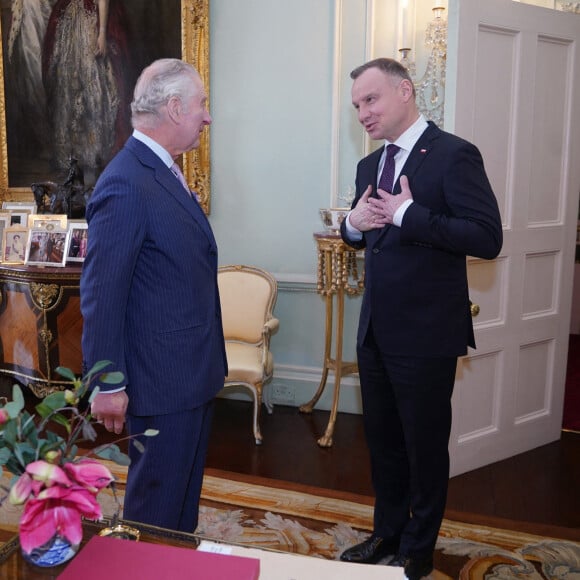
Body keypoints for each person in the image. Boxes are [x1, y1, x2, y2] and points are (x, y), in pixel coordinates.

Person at [338, 58, 502, 580]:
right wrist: (351, 225)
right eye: (358, 105)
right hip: (376, 332)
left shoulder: (454, 155)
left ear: (405, 91)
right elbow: (367, 236)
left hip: (428, 334)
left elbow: (486, 237)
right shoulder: (369, 166)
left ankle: (418, 548)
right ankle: (386, 533)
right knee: (383, 443)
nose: (363, 112)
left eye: (371, 100)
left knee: (423, 447)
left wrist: (412, 215)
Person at [80, 58, 227, 532]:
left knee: (179, 507)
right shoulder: (127, 180)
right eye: (202, 104)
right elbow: (103, 294)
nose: (207, 116)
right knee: (155, 509)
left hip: (188, 372)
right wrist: (107, 383)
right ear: (175, 107)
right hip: (163, 380)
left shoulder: (161, 169)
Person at [43, 0, 132, 178]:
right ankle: (72, 157)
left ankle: (94, 155)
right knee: (67, 89)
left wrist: (101, 33)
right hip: (68, 22)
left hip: (89, 22)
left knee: (93, 86)